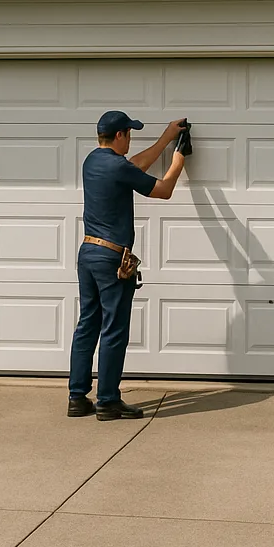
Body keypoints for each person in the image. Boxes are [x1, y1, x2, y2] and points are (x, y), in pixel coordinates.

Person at [70, 110, 187, 420]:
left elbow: (134, 166)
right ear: (120, 135)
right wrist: (178, 161)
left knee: (88, 324)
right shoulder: (117, 167)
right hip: (112, 259)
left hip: (88, 253)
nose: (130, 140)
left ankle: (77, 397)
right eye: (129, 134)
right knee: (113, 329)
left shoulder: (93, 161)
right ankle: (107, 400)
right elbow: (163, 190)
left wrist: (166, 137)